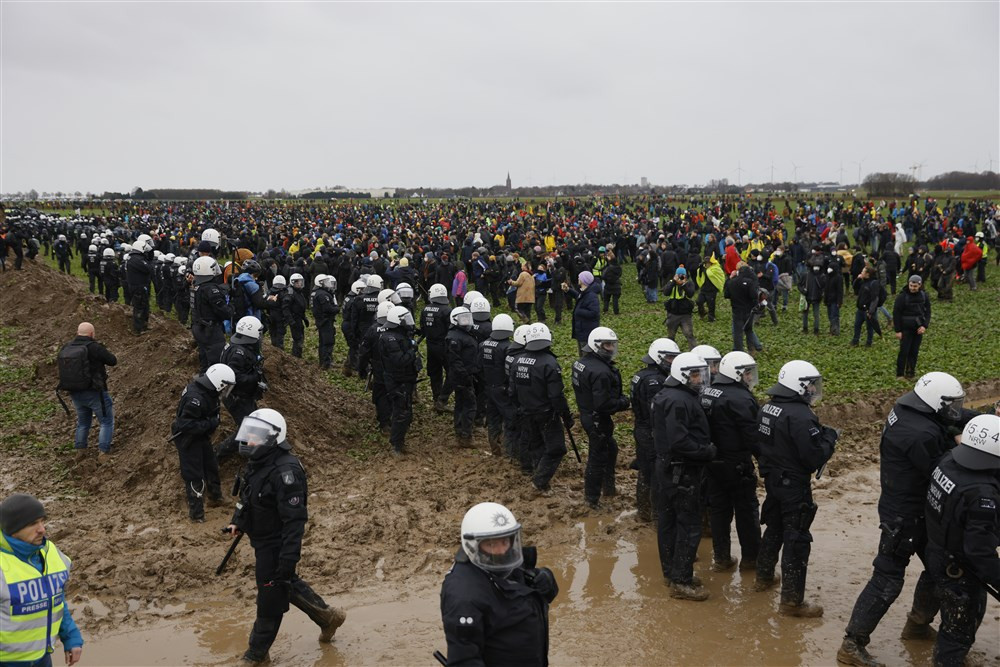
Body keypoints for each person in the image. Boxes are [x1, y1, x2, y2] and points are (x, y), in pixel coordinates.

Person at [838, 373, 973, 667]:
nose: (956, 409)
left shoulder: (906, 409)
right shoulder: (921, 435)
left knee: (941, 568)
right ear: (935, 403)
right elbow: (945, 470)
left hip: (907, 508)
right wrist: (964, 447)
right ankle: (852, 644)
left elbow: (951, 418)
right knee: (887, 579)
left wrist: (982, 420)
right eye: (952, 404)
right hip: (906, 517)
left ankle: (918, 625)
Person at [226, 409, 347, 664]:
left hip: (276, 544)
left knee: (270, 598)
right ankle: (327, 617)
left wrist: (288, 557)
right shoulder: (257, 463)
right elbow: (247, 496)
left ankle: (257, 654)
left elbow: (295, 521)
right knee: (283, 583)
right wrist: (237, 521)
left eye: (256, 437)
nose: (249, 441)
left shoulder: (287, 472)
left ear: (274, 438)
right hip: (261, 539)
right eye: (249, 435)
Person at [755, 360, 837, 617]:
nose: (813, 390)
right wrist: (829, 441)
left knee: (775, 527)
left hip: (773, 479)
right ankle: (792, 601)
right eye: (811, 385)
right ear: (798, 386)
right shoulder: (801, 415)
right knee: (797, 538)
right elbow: (812, 457)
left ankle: (764, 576)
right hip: (794, 484)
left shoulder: (767, 408)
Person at [440, 502, 558, 666]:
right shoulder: (464, 597)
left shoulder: (504, 563)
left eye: (505, 541)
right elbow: (465, 659)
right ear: (473, 546)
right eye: (492, 544)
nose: (501, 550)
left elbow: (542, 595)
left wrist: (546, 579)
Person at [924, 414, 999, 667]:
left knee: (951, 617)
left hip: (937, 550)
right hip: (960, 569)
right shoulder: (982, 494)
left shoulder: (948, 461)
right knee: (959, 628)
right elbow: (979, 551)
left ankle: (922, 632)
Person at [651, 352, 715, 601]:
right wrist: (706, 451)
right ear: (683, 375)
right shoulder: (680, 401)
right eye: (696, 375)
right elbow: (680, 441)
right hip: (683, 470)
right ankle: (681, 581)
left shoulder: (665, 395)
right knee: (688, 525)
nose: (700, 380)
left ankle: (673, 572)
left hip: (666, 467)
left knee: (668, 522)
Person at [0, 493, 84, 666]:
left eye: (42, 521)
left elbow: (56, 600)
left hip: (43, 659)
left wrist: (71, 637)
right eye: (33, 524)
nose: (42, 529)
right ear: (13, 529)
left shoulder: (50, 552)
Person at [700, 351, 761, 572]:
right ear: (736, 374)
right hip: (737, 464)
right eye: (747, 374)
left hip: (713, 462)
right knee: (746, 511)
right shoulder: (742, 399)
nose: (749, 378)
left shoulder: (708, 391)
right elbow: (753, 436)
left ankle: (722, 558)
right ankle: (751, 560)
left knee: (719, 511)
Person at [508, 323, 570, 494]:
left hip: (526, 412)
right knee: (557, 449)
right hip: (546, 414)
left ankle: (539, 474)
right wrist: (565, 415)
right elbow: (556, 395)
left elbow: (512, 391)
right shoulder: (549, 363)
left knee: (536, 445)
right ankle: (539, 481)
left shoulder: (518, 360)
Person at [572, 327, 630, 509]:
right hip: (597, 419)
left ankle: (609, 487)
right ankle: (591, 499)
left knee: (611, 448)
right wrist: (625, 402)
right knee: (597, 458)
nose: (611, 349)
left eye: (613, 345)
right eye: (607, 345)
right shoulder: (601, 373)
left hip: (587, 413)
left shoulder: (581, 363)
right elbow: (604, 404)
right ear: (596, 346)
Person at [170, 364, 235, 522]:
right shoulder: (195, 398)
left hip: (200, 436)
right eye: (225, 386)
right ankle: (196, 514)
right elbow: (185, 425)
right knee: (194, 475)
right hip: (188, 439)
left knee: (211, 465)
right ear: (218, 383)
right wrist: (211, 423)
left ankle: (215, 496)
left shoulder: (207, 391)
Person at [629, 338, 677, 521]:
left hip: (641, 428)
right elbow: (656, 411)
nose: (673, 362)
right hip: (649, 431)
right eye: (670, 358)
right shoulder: (654, 381)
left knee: (645, 470)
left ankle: (643, 512)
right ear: (659, 358)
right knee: (656, 474)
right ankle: (656, 515)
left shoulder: (641, 374)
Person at [57, 322, 117, 460]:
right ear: (91, 334)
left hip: (75, 392)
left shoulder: (67, 347)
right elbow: (113, 360)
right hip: (95, 392)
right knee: (106, 421)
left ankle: (80, 450)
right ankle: (103, 452)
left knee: (83, 422)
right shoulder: (94, 347)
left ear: (78, 333)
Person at [216, 317, 267, 463]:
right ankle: (218, 455)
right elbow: (233, 377)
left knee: (253, 423)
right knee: (249, 429)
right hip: (236, 397)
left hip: (242, 395)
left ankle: (247, 451)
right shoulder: (239, 353)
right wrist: (254, 378)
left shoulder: (240, 348)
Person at [378, 305, 421, 455]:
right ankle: (396, 445)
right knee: (401, 413)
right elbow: (399, 360)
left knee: (405, 412)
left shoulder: (400, 335)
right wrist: (412, 351)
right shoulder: (390, 339)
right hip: (397, 381)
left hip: (405, 379)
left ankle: (400, 441)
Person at [478, 313, 516, 456]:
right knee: (509, 420)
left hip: (489, 387)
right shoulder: (508, 347)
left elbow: (478, 367)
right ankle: (508, 451)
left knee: (493, 418)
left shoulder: (483, 345)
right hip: (503, 389)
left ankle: (495, 447)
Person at [191, 255, 233, 371]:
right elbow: (224, 311)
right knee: (216, 361)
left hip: (198, 327)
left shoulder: (196, 286)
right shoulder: (211, 290)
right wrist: (232, 306)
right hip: (210, 329)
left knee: (204, 357)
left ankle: (203, 379)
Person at [446, 306, 479, 449]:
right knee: (469, 405)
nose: (466, 321)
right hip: (462, 377)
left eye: (467, 318)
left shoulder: (464, 334)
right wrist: (465, 376)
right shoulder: (454, 337)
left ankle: (460, 431)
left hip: (464, 375)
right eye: (463, 319)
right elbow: (455, 361)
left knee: (460, 403)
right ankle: (465, 435)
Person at [892, 275, 931, 380]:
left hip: (918, 329)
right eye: (911, 285)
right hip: (905, 329)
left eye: (915, 286)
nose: (912, 288)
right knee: (904, 351)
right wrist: (898, 330)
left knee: (914, 351)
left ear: (920, 285)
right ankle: (900, 374)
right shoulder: (902, 297)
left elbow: (928, 312)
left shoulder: (924, 296)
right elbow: (896, 314)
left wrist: (924, 325)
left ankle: (911, 373)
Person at [566, 271, 600, 356]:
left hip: (587, 331)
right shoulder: (585, 292)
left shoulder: (591, 295)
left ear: (584, 280)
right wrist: (568, 290)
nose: (578, 279)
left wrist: (579, 311)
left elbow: (594, 313)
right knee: (582, 355)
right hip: (581, 330)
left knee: (587, 355)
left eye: (579, 277)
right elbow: (579, 297)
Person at [311, 274, 339, 370]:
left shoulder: (317, 293)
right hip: (325, 321)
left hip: (321, 321)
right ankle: (326, 363)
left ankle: (323, 362)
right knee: (327, 342)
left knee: (323, 342)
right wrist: (336, 309)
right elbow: (328, 308)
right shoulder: (323, 294)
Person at [126, 236, 154, 334]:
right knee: (139, 307)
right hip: (139, 287)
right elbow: (149, 268)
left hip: (139, 285)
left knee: (144, 306)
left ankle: (143, 326)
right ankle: (138, 329)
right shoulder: (136, 259)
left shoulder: (133, 257)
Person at [664, 267, 697, 349]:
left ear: (685, 275)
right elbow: (666, 292)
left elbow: (690, 294)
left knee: (689, 334)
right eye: (678, 275)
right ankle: (670, 350)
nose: (680, 277)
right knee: (671, 336)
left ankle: (694, 350)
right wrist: (674, 282)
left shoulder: (689, 283)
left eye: (682, 275)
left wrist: (683, 284)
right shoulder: (671, 282)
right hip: (672, 313)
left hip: (685, 315)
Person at [851, 266, 882, 347]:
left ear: (867, 274)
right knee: (857, 325)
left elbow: (875, 299)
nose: (861, 272)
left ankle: (869, 342)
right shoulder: (863, 281)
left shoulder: (873, 283)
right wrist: (857, 279)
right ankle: (855, 341)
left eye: (863, 271)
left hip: (868, 310)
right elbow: (854, 287)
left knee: (869, 327)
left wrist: (871, 311)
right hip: (860, 309)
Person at [282, 273, 309, 359]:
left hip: (299, 318)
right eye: (297, 282)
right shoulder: (290, 293)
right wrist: (291, 321)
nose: (300, 284)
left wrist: (304, 318)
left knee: (301, 337)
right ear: (293, 282)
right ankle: (296, 356)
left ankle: (298, 355)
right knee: (298, 338)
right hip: (294, 319)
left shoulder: (299, 292)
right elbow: (285, 308)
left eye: (301, 282)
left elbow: (300, 306)